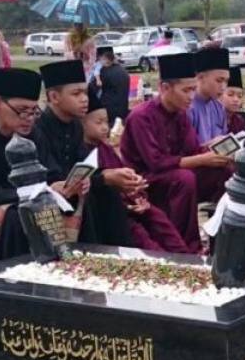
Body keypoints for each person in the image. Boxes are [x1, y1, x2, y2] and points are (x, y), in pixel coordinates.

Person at [0, 69, 85, 259]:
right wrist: (35, 193)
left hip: (21, 200)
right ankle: (13, 271)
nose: (29, 118)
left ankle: (80, 263)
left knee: (80, 202)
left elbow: (51, 174)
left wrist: (66, 186)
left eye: (34, 111)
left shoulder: (33, 133)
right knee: (19, 215)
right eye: (22, 110)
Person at [120, 52, 233, 253]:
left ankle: (221, 236)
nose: (191, 97)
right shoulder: (141, 117)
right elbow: (156, 163)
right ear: (165, 88)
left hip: (174, 174)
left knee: (224, 171)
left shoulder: (179, 114)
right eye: (186, 90)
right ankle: (185, 246)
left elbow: (193, 150)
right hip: (144, 181)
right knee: (184, 178)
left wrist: (213, 149)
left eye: (193, 90)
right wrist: (202, 158)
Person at [34, 60, 132, 247]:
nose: (85, 99)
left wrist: (106, 175)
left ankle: (117, 252)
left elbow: (84, 165)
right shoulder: (38, 129)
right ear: (54, 97)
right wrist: (101, 178)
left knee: (109, 191)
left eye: (85, 92)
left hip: (75, 189)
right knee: (87, 197)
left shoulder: (75, 126)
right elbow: (52, 176)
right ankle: (89, 254)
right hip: (49, 195)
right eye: (76, 93)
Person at [82, 90, 187, 253]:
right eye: (99, 122)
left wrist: (140, 196)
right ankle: (162, 261)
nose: (105, 128)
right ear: (82, 123)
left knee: (158, 219)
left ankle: (184, 255)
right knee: (141, 238)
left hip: (134, 203)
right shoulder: (83, 152)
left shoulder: (106, 149)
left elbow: (127, 174)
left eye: (107, 122)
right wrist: (128, 204)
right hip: (117, 211)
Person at [187, 48, 230, 144]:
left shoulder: (219, 106)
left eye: (226, 81)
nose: (223, 87)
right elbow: (186, 149)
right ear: (200, 77)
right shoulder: (188, 107)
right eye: (219, 80)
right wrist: (210, 145)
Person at [94, 46, 130, 127]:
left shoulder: (103, 72)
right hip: (123, 109)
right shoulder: (123, 70)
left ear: (104, 59)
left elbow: (93, 90)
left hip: (109, 112)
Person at [222, 66, 245, 134]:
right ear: (219, 95)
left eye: (240, 96)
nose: (236, 99)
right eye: (230, 94)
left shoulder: (239, 121)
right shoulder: (212, 119)